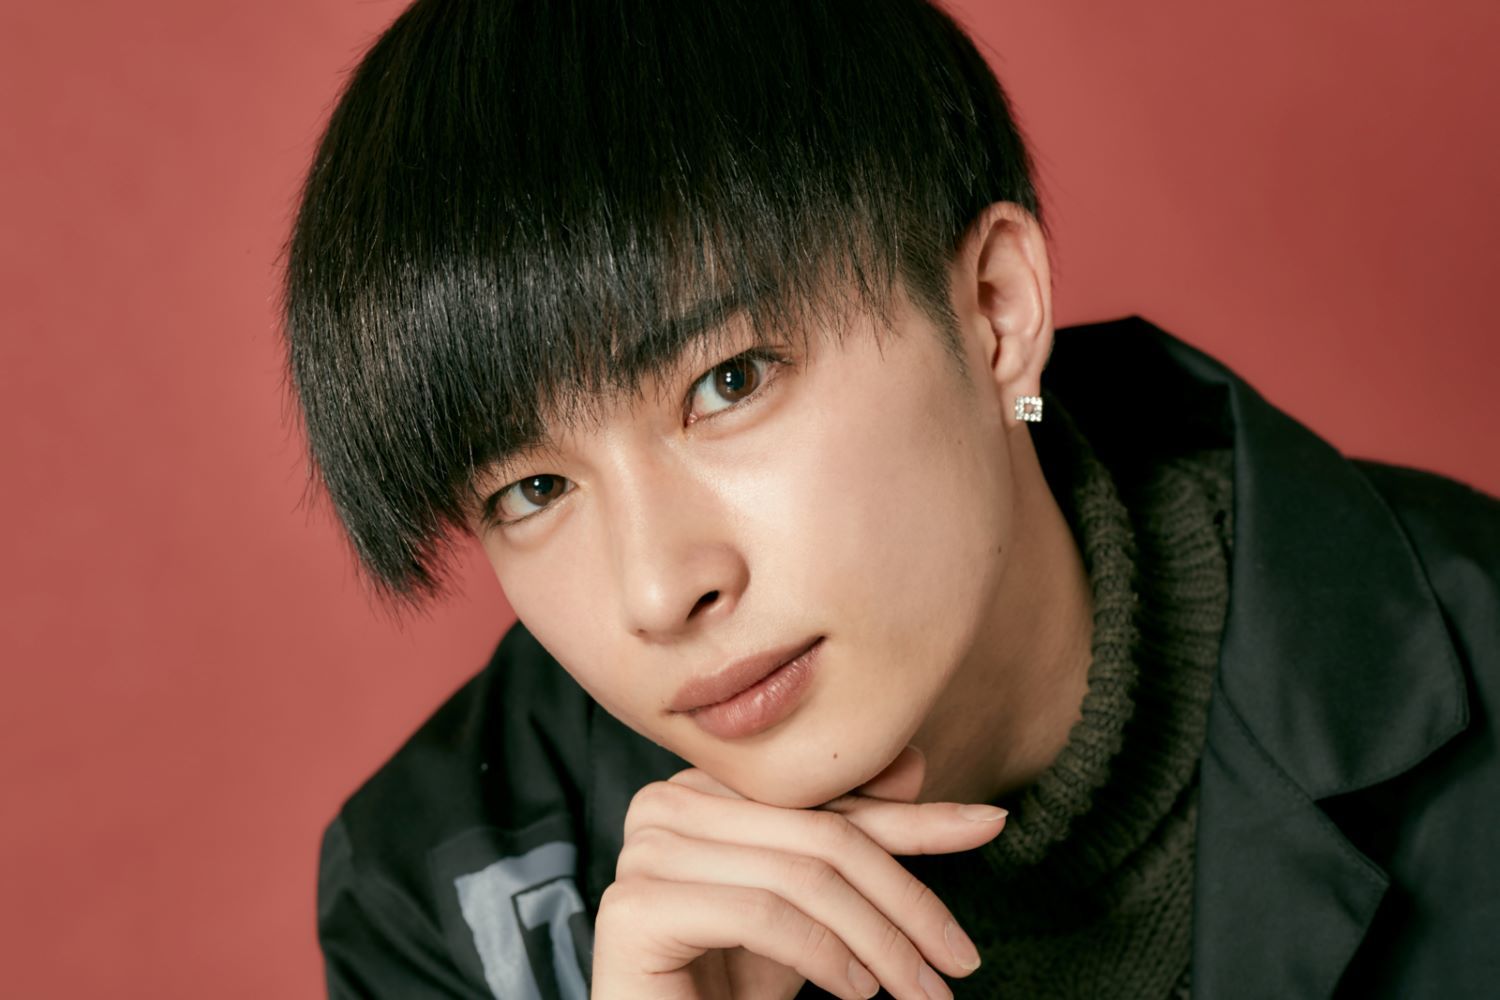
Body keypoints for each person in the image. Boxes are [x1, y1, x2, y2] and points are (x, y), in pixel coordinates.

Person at [282, 0, 1500, 997]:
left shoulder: (1482, 658)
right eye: (534, 488)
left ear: (995, 314)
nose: (657, 588)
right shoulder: (442, 902)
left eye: (729, 380)